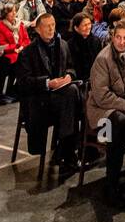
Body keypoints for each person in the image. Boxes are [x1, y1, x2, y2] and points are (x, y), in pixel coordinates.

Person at [15, 13, 82, 179]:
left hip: (61, 99)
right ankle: (67, 152)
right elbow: (22, 83)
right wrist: (47, 83)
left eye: (53, 24)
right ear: (38, 29)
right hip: (40, 101)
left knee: (72, 94)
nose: (51, 29)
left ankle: (65, 150)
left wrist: (68, 77)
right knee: (73, 97)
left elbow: (72, 68)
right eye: (47, 26)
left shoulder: (63, 45)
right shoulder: (28, 52)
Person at [86, 16, 125, 207]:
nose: (122, 41)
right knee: (117, 124)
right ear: (113, 37)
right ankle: (111, 186)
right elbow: (102, 96)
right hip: (101, 116)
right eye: (118, 37)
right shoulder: (103, 59)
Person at [69, 12, 103, 83]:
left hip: (96, 77)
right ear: (76, 28)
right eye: (85, 25)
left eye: (89, 24)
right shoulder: (70, 44)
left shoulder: (96, 41)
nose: (88, 27)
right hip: (79, 80)